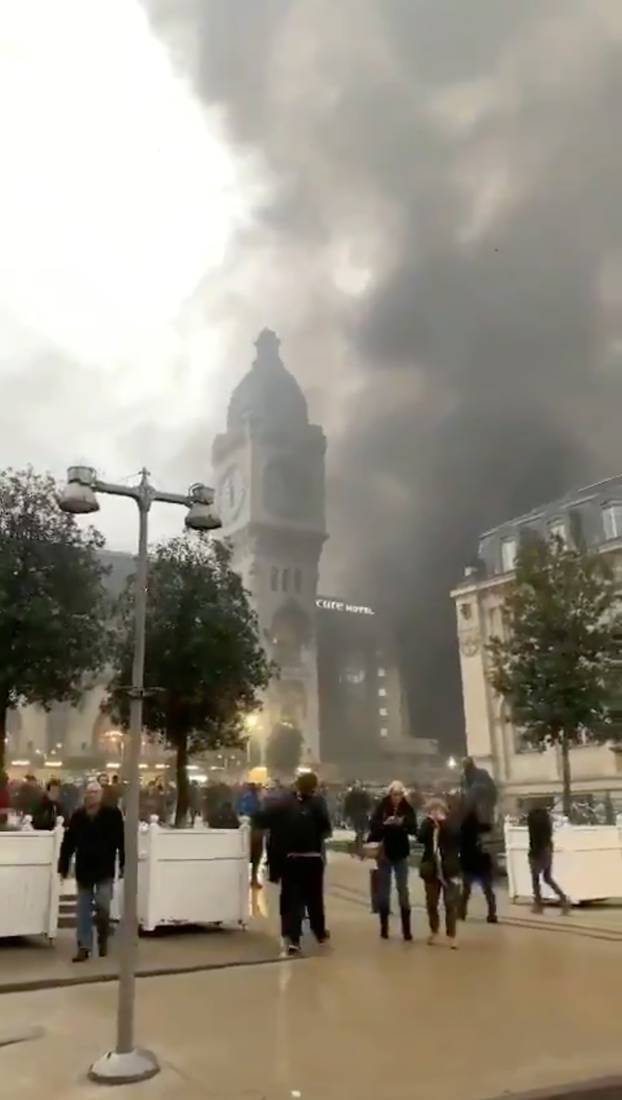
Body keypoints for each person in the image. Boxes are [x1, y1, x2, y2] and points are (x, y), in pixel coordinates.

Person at [254, 771, 331, 956]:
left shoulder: (284, 802)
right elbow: (326, 829)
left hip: (291, 859)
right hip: (312, 858)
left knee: (291, 900)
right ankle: (318, 931)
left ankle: (293, 937)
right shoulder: (317, 803)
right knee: (314, 898)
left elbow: (262, 820)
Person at [58, 780, 125, 963]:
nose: (91, 795)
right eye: (89, 792)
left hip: (104, 868)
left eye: (95, 792)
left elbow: (121, 840)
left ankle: (103, 935)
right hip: (84, 869)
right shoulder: (78, 816)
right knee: (83, 910)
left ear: (101, 795)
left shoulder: (112, 814)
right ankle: (84, 946)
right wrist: (63, 866)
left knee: (103, 906)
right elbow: (69, 842)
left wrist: (123, 863)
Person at [367, 780, 417, 941]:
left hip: (401, 853)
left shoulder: (406, 808)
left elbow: (414, 827)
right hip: (385, 853)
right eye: (395, 794)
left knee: (403, 889)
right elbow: (373, 827)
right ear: (390, 794)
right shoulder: (382, 807)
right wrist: (385, 824)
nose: (398, 797)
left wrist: (403, 823)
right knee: (384, 891)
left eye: (400, 794)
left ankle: (407, 930)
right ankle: (384, 927)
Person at [418, 797, 461, 949]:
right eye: (432, 810)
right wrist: (430, 824)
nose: (436, 813)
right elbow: (420, 838)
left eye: (439, 810)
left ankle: (452, 935)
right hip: (431, 869)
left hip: (449, 868)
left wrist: (443, 824)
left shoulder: (451, 825)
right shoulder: (427, 825)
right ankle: (434, 930)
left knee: (450, 903)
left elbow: (457, 838)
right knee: (431, 903)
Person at [459, 800, 498, 923]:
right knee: (488, 891)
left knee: (466, 891)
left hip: (468, 863)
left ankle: (461, 913)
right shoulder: (482, 826)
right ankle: (492, 914)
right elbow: (490, 828)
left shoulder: (461, 828)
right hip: (482, 862)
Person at [527, 804, 570, 915]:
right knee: (547, 877)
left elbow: (533, 841)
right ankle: (563, 899)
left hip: (537, 851)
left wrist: (532, 854)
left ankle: (538, 904)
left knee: (535, 879)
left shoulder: (533, 825)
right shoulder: (547, 825)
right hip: (547, 849)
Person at [238, 783, 264, 887]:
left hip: (244, 830)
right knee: (256, 856)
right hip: (255, 830)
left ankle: (242, 879)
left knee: (245, 855)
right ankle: (253, 879)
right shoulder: (256, 801)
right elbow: (259, 814)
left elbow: (239, 811)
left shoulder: (243, 798)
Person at [344, 781, 372, 858]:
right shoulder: (362, 794)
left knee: (360, 831)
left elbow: (347, 806)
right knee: (360, 831)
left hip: (358, 815)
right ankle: (359, 847)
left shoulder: (351, 795)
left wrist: (347, 815)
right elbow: (368, 805)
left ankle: (358, 846)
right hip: (359, 815)